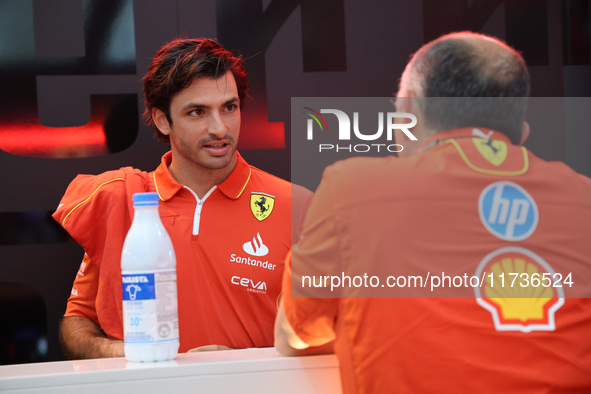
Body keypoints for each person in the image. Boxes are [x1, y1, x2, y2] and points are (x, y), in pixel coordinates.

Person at [275, 32, 591, 393]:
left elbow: (293, 333)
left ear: (409, 111)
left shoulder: (351, 187)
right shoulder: (585, 197)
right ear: (521, 131)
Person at [53, 38, 313, 359]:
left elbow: (335, 329)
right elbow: (78, 321)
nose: (220, 128)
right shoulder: (124, 201)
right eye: (197, 112)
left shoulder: (299, 206)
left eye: (229, 108)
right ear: (163, 120)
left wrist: (241, 361)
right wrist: (140, 355)